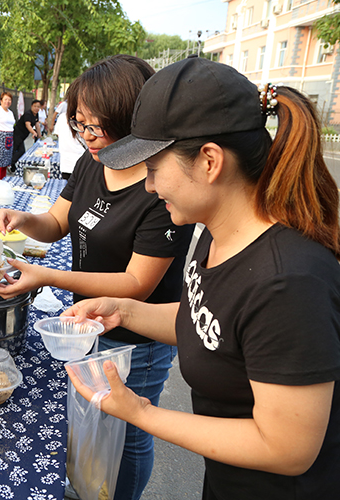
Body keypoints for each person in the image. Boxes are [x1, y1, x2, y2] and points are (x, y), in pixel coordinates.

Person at [65, 56, 340, 500]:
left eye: (154, 169)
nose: (149, 186)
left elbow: (288, 448)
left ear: (210, 161)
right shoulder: (218, 237)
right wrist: (126, 311)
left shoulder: (289, 281)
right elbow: (209, 322)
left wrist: (139, 411)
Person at [0, 55, 194, 500]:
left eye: (99, 125)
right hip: (89, 320)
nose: (88, 136)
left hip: (137, 337)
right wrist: (21, 217)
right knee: (92, 420)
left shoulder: (161, 186)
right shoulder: (91, 164)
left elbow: (135, 283)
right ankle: (89, 486)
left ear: (133, 116)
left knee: (129, 432)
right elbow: (57, 223)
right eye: (80, 124)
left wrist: (45, 276)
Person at [54, 100, 86, 180]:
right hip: (81, 163)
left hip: (66, 163)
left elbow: (58, 134)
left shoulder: (61, 117)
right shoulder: (84, 118)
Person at [10, 99, 41, 171]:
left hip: (24, 135)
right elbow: (28, 125)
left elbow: (37, 125)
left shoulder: (36, 114)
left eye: (38, 107)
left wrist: (39, 135)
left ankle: (14, 165)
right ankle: (11, 166)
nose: (36, 108)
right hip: (17, 133)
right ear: (31, 106)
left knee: (22, 151)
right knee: (17, 150)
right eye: (35, 106)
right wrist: (33, 132)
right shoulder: (28, 114)